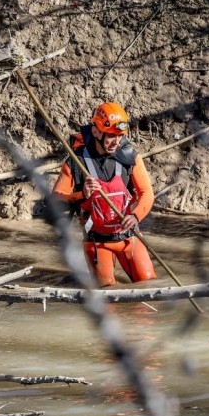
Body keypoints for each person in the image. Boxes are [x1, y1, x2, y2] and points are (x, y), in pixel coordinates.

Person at [52, 102, 157, 286]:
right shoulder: (75, 162)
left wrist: (135, 215)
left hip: (129, 237)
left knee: (148, 284)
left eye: (119, 136)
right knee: (107, 293)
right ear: (95, 132)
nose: (116, 142)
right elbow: (57, 198)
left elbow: (146, 192)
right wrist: (81, 194)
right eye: (110, 136)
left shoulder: (130, 158)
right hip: (96, 241)